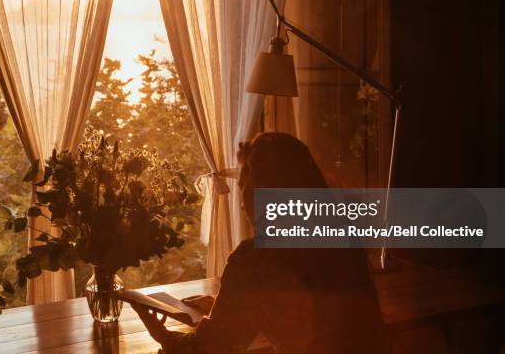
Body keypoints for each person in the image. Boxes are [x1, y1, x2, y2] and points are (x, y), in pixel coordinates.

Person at [132, 132, 389, 353]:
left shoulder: (257, 259)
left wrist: (161, 335)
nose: (242, 201)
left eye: (244, 184)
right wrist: (230, 305)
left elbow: (209, 349)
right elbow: (302, 312)